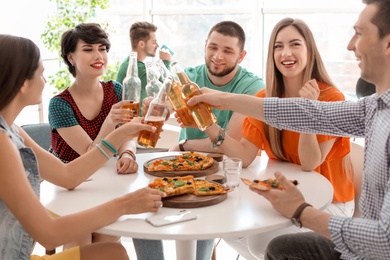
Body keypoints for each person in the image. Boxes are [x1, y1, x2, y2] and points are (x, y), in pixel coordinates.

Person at [186, 0, 390, 258]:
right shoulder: (373, 108)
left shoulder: (342, 99)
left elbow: (384, 241)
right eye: (278, 46)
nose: (350, 45)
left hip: (351, 225)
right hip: (353, 239)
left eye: (359, 33)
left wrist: (300, 211)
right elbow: (299, 113)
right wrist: (220, 99)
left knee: (264, 243)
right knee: (259, 240)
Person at [0, 33, 165, 260]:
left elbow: (68, 176)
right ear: (22, 83)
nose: (45, 80)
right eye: (41, 73)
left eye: (102, 48)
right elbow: (48, 234)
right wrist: (126, 204)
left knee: (113, 251)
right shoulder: (3, 143)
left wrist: (124, 137)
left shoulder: (13, 130)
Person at [137, 20, 265, 260]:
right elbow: (161, 111)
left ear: (242, 55)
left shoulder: (252, 87)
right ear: (205, 45)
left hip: (226, 174)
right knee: (147, 219)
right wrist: (153, 108)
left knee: (202, 232)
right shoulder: (188, 79)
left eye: (228, 51)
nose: (218, 56)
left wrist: (184, 146)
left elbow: (231, 148)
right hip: (183, 171)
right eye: (213, 47)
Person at [48, 23, 138, 249]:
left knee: (109, 240)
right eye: (88, 49)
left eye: (103, 48)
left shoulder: (115, 90)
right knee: (80, 240)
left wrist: (127, 152)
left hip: (105, 180)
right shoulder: (59, 105)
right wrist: (110, 120)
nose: (98, 55)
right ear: (71, 57)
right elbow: (89, 154)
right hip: (70, 183)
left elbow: (127, 132)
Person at [116, 21, 172, 111]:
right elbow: (165, 92)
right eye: (154, 42)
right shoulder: (137, 68)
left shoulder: (130, 63)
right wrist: (166, 63)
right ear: (141, 44)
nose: (157, 46)